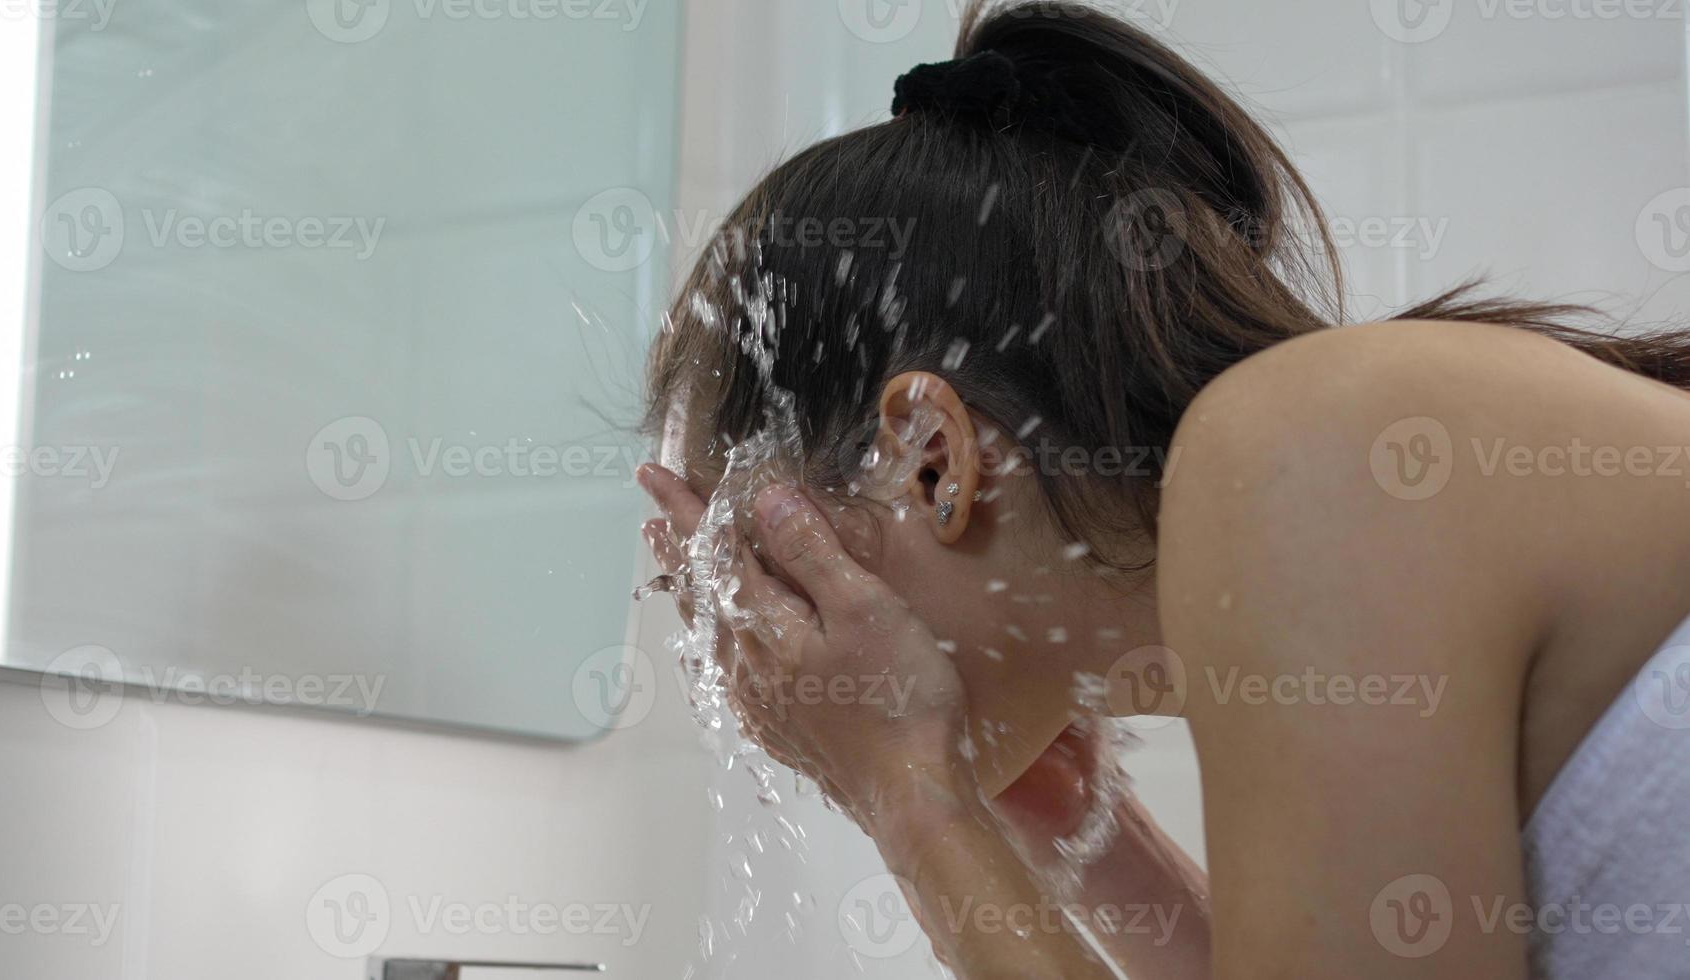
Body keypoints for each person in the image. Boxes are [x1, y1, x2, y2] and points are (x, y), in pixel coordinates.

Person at [636, 2, 1690, 975]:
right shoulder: (1334, 460)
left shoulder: (1313, 449)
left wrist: (909, 796)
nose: (750, 656)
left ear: (929, 457)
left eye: (757, 567)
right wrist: (1089, 840)